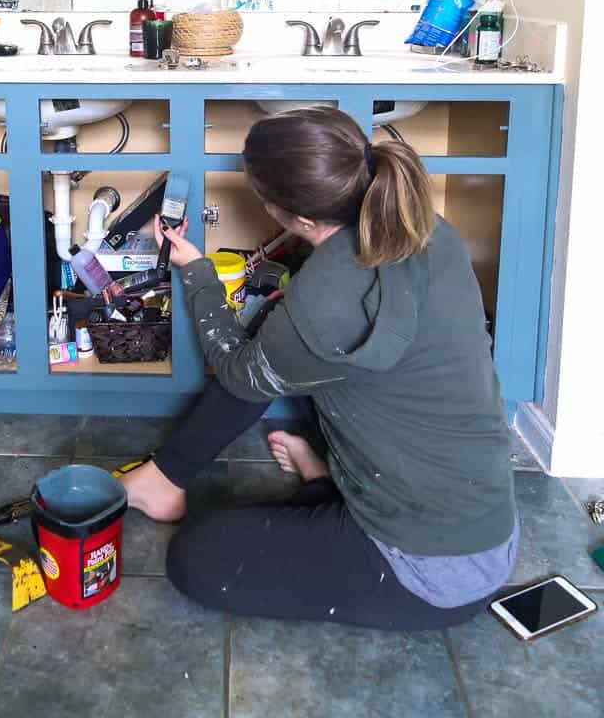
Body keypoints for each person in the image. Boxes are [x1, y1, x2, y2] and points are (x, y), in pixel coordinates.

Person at [123, 107, 518, 629]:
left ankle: (314, 486)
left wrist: (196, 272)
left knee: (196, 557)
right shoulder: (420, 224)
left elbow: (240, 371)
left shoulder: (325, 301)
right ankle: (176, 478)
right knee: (276, 328)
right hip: (478, 517)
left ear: (302, 219)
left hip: (430, 569)